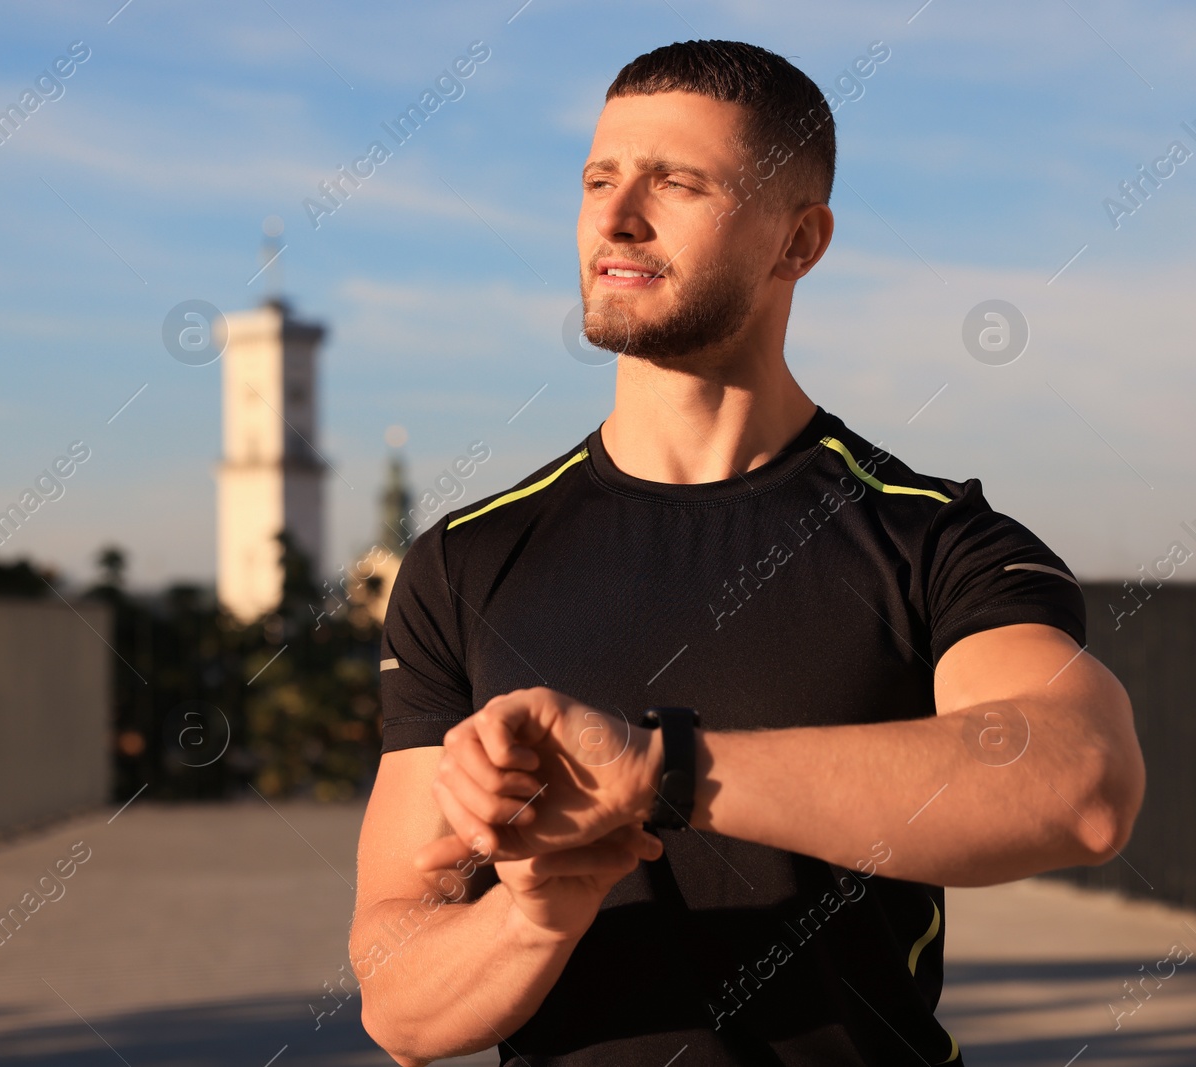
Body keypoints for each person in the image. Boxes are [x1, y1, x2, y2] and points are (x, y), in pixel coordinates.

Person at [350, 39, 1145, 1067]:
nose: (616, 214)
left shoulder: (933, 538)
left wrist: (659, 770)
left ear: (796, 242)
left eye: (675, 182)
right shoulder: (464, 559)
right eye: (599, 178)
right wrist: (534, 919)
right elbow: (401, 1011)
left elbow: (1081, 786)